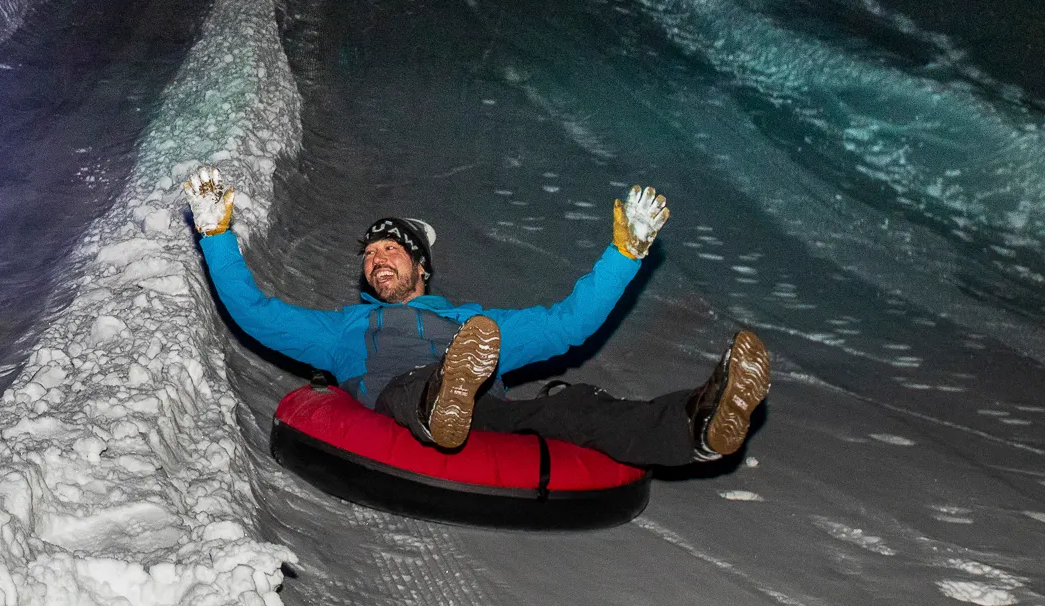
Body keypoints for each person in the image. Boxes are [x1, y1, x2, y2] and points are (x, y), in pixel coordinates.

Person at [184, 172, 772, 467]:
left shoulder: (472, 324)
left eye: (391, 249)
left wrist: (626, 252)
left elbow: (568, 325)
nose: (377, 259)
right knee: (414, 386)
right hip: (400, 397)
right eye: (369, 255)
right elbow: (255, 314)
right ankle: (440, 397)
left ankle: (700, 421)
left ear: (421, 267)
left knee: (569, 407)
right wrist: (215, 236)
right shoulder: (343, 331)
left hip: (479, 403)